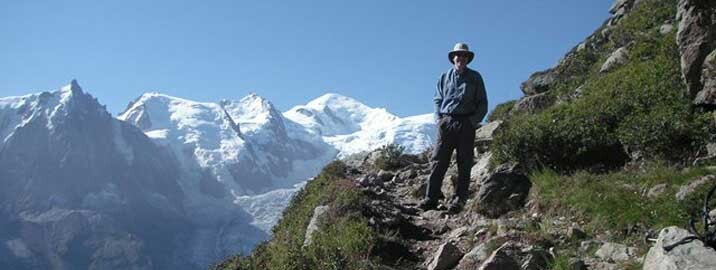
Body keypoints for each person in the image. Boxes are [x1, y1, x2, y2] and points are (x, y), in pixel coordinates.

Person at [419, 42, 488, 213]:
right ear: (453, 58)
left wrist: (473, 122)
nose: (461, 58)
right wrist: (439, 119)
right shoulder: (444, 77)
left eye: (464, 55)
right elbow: (437, 99)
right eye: (458, 55)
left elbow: (483, 104)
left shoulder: (476, 78)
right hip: (447, 121)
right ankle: (431, 198)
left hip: (466, 123)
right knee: (438, 160)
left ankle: (460, 199)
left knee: (464, 163)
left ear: (468, 59)